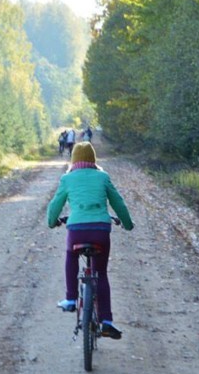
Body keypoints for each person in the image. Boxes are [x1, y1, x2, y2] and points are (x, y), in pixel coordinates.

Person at [46, 141, 134, 339]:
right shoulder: (103, 177)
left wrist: (52, 222)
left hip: (76, 229)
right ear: (93, 159)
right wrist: (128, 224)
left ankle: (70, 299)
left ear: (74, 160)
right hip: (101, 230)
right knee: (100, 273)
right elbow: (118, 202)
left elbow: (55, 205)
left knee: (71, 255)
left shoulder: (67, 179)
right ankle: (106, 321)